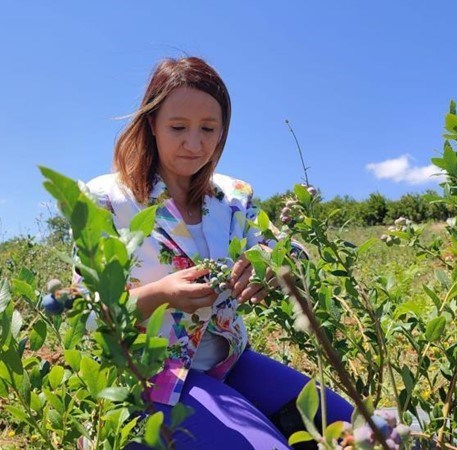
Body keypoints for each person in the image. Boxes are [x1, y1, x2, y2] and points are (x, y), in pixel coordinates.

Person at [85, 56, 353, 449]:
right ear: (151, 125)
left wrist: (266, 263)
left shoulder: (231, 197)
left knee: (353, 429)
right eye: (178, 127)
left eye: (208, 129)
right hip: (151, 372)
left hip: (230, 360)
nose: (194, 144)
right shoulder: (108, 200)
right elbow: (89, 312)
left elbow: (292, 250)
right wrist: (162, 294)